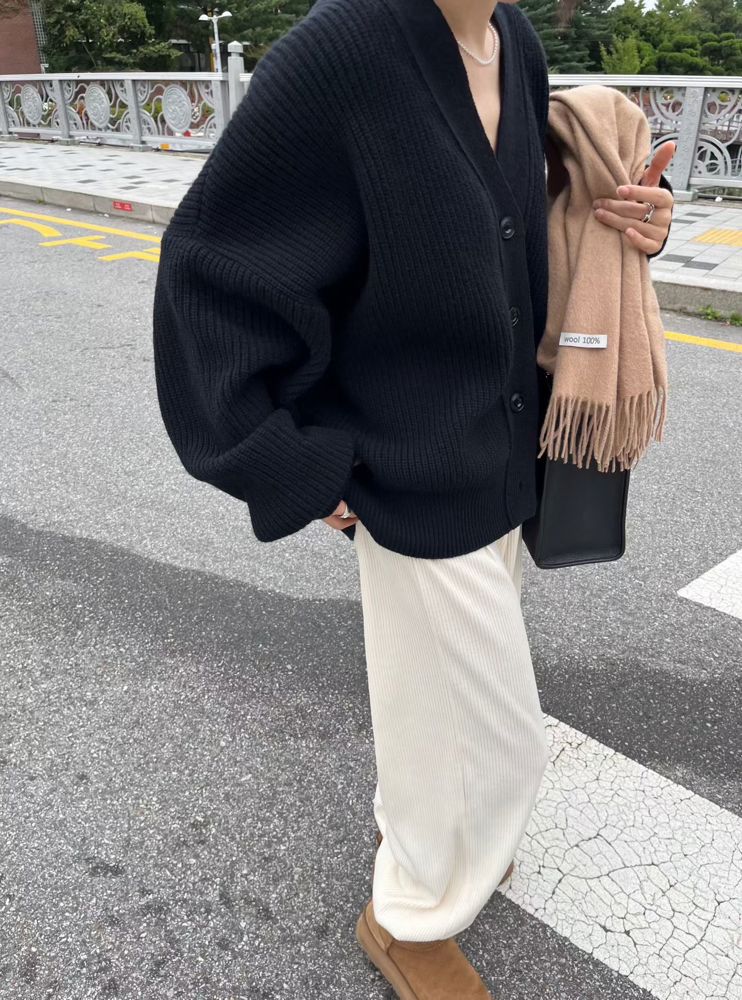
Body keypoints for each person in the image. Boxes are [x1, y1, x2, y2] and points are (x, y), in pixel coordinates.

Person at [151, 0, 674, 996]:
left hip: (506, 450)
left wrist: (636, 221)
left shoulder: (513, 44)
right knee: (501, 740)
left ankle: (435, 835)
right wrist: (291, 464)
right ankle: (407, 919)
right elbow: (209, 274)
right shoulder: (342, 51)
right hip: (407, 472)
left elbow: (509, 225)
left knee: (432, 703)